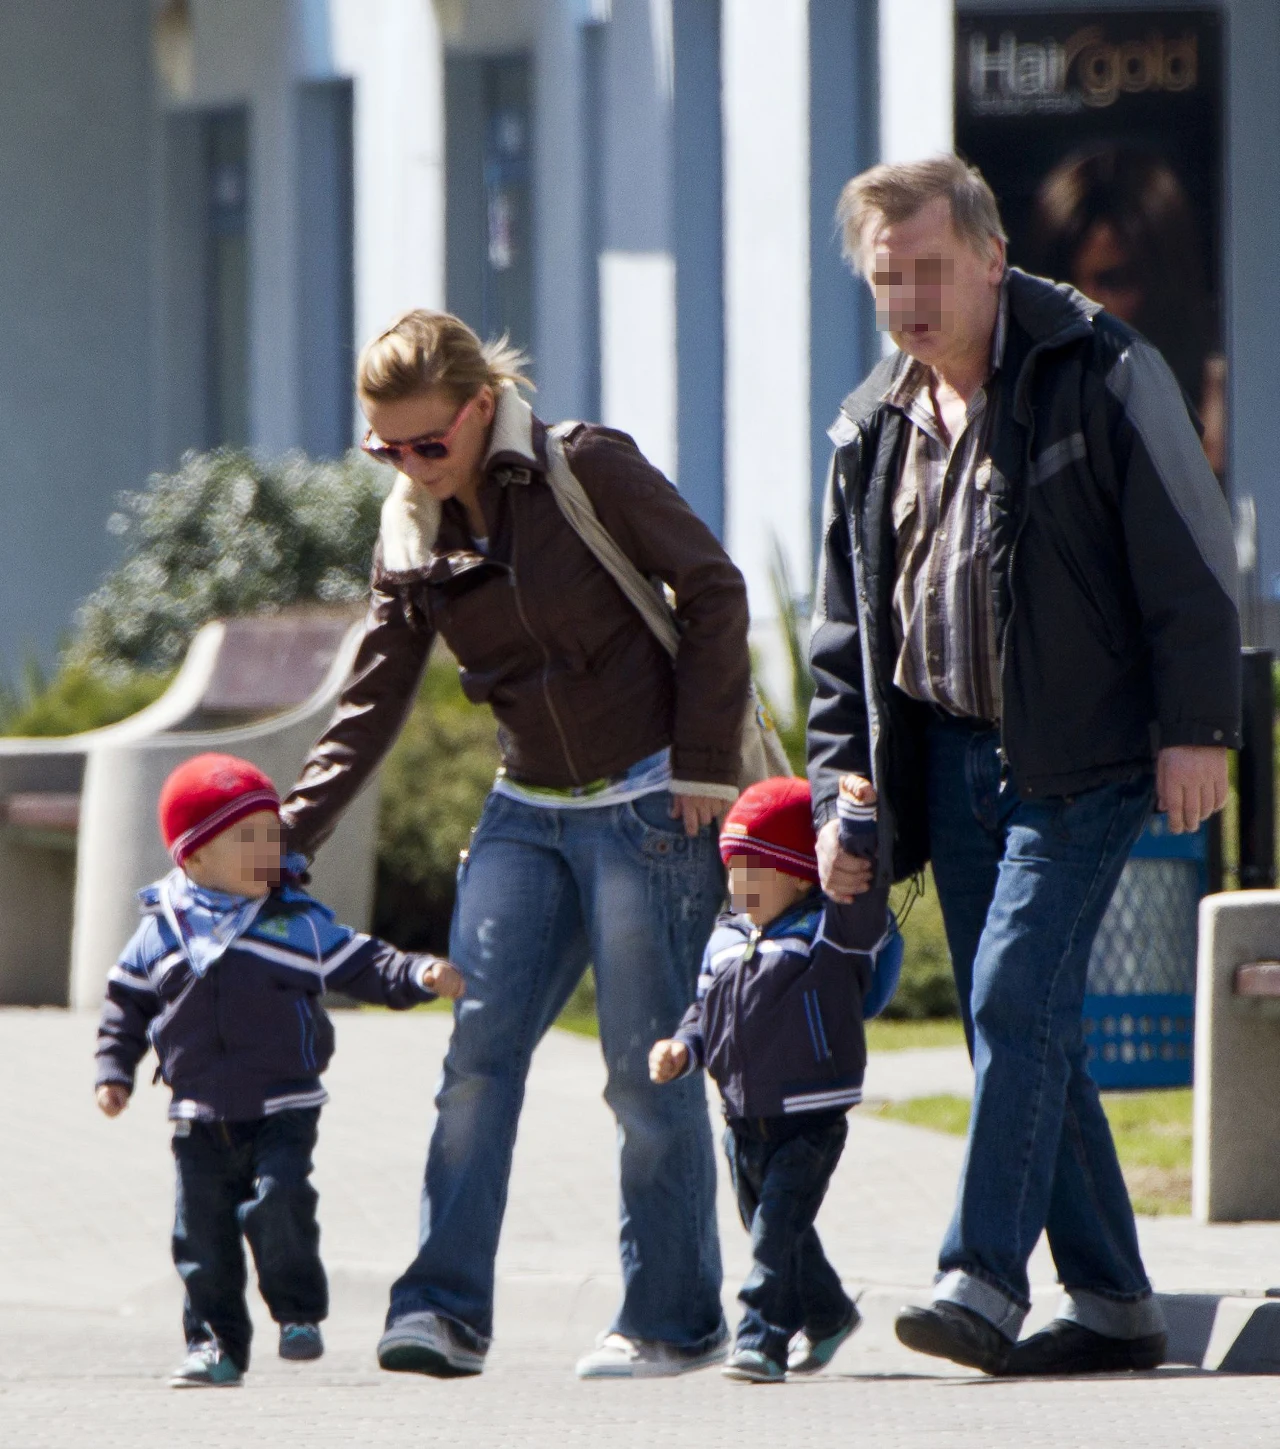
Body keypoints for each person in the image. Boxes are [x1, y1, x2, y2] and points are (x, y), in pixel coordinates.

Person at [809, 155, 1240, 1377]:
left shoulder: (1100, 368)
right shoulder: (869, 421)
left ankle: (980, 1278)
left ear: (993, 259)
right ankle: (1110, 1301)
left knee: (1007, 998)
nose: (908, 301)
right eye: (886, 279)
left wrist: (1194, 725)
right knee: (1033, 1020)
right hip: (942, 756)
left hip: (1083, 757)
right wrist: (848, 790)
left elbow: (1188, 547)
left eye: (930, 271)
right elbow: (845, 635)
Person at [278, 310, 751, 1380]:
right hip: (523, 809)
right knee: (475, 1065)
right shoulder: (412, 529)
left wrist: (700, 766)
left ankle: (671, 1319)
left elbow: (713, 589)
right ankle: (439, 1311)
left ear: (479, 407)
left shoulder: (584, 466)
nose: (407, 466)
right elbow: (370, 701)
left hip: (645, 802)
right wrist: (279, 838)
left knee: (645, 1073)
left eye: (426, 444)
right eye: (383, 449)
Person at [94, 753, 462, 1388]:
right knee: (200, 1241)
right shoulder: (164, 932)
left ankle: (298, 1313)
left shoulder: (295, 922)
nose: (268, 851)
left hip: (283, 1107)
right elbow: (126, 1004)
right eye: (247, 840)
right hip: (196, 1116)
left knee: (278, 1204)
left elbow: (363, 961)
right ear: (194, 856)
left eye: (273, 835)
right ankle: (215, 1347)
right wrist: (114, 1070)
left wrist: (418, 973)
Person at [649, 775, 894, 1384]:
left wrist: (856, 817)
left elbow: (861, 895)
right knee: (777, 1229)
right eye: (732, 871)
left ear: (798, 874)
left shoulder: (828, 934)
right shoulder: (725, 938)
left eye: (752, 872)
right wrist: (682, 1047)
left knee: (773, 1233)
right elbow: (702, 1011)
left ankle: (760, 1340)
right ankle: (831, 1313)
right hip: (742, 1118)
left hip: (809, 1118)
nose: (737, 886)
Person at [1028, 145, 1226, 477]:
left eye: (1113, 282)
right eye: (1061, 285)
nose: (1081, 310)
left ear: (1166, 283)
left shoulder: (1231, 413)